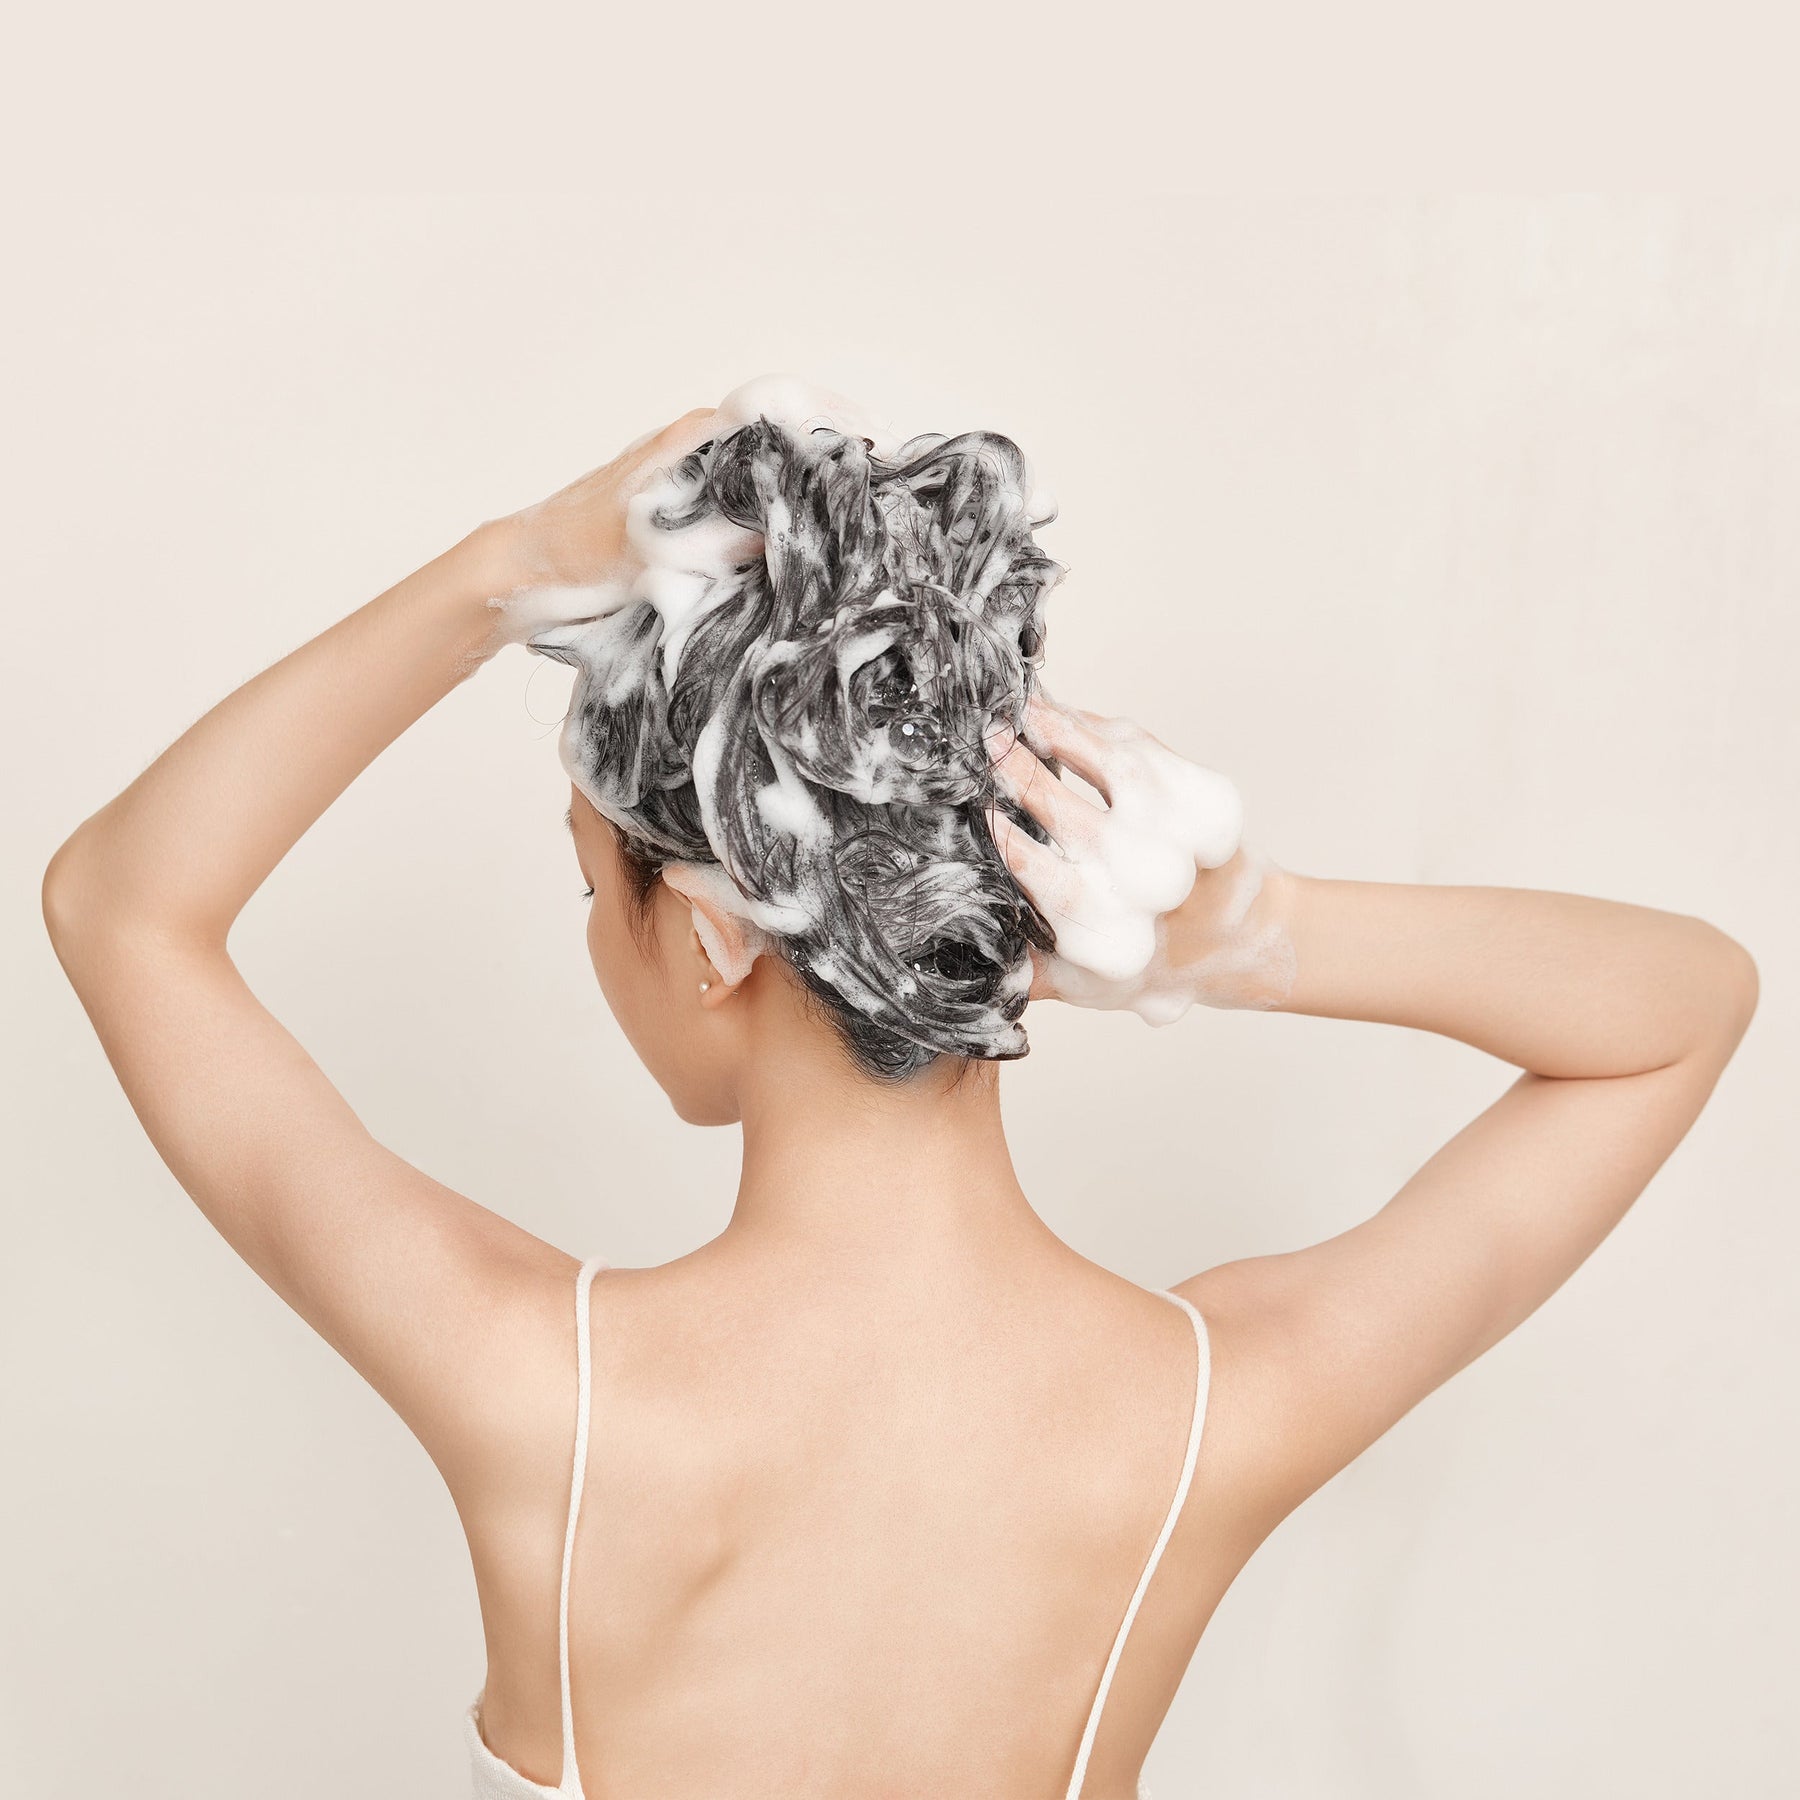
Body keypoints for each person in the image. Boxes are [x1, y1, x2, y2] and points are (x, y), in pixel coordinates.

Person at [41, 392, 1758, 1800]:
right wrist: (1252, 934)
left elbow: (121, 907)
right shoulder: (1203, 1414)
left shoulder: (531, 1385)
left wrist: (502, 574)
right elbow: (1679, 1013)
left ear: (712, 935)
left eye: (592, 890)